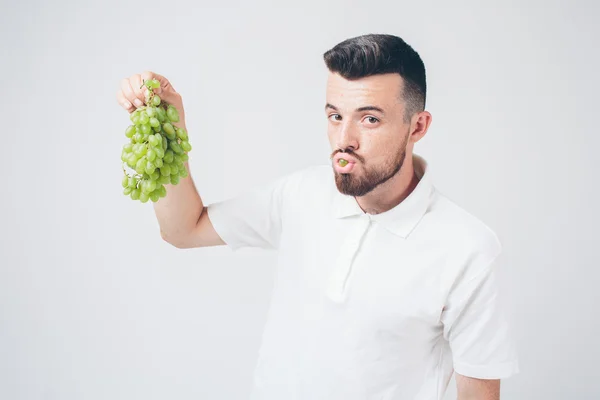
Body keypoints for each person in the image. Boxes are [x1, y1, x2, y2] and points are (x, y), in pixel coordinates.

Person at [116, 33, 519, 400]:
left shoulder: (468, 248)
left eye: (370, 118)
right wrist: (169, 128)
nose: (344, 140)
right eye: (334, 116)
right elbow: (183, 228)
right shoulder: (300, 194)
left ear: (418, 126)